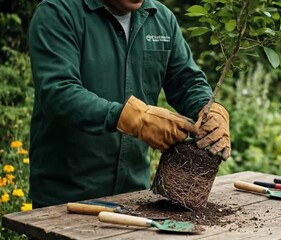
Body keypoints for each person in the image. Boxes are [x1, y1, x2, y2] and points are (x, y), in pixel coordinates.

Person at [28, 0, 230, 208]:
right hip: (65, 197)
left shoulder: (160, 18)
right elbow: (59, 92)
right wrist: (135, 119)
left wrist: (209, 108)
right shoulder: (59, 12)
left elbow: (186, 81)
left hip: (133, 197)